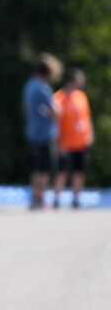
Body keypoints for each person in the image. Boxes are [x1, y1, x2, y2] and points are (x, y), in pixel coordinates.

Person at [22, 52, 62, 210]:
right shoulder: (43, 88)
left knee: (38, 168)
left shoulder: (29, 85)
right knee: (44, 170)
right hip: (44, 134)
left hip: (32, 132)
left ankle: (35, 198)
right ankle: (39, 198)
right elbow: (55, 112)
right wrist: (58, 109)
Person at [52, 67, 94, 209]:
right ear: (72, 81)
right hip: (65, 142)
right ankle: (57, 198)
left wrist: (90, 134)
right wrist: (58, 142)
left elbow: (87, 117)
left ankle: (76, 198)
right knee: (62, 171)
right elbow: (55, 123)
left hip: (81, 141)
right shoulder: (58, 97)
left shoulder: (81, 96)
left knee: (79, 171)